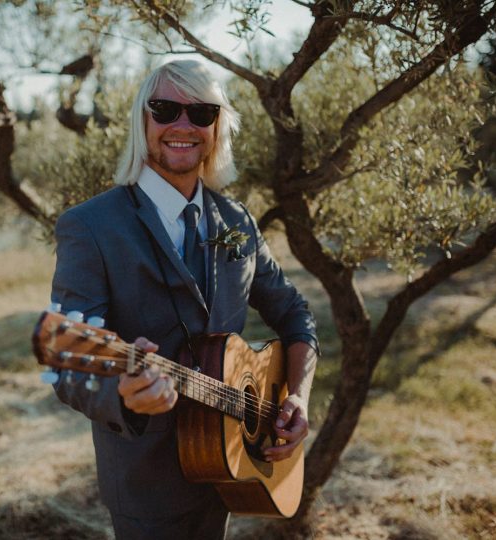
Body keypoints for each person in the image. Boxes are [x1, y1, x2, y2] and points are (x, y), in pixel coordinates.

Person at [49, 59, 318, 539]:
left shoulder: (237, 220)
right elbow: (70, 363)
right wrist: (124, 394)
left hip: (232, 467)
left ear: (217, 128)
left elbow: (294, 313)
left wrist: (296, 394)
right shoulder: (90, 226)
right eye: (166, 108)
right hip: (146, 486)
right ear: (142, 120)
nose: (182, 125)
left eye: (201, 113)